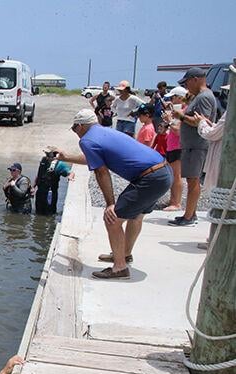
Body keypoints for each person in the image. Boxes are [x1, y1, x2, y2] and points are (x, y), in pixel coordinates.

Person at [55, 109, 172, 280]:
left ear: (80, 126)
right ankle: (124, 254)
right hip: (163, 172)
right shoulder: (104, 132)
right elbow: (94, 158)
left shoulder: (87, 140)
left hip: (150, 178)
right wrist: (65, 157)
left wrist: (110, 204)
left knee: (112, 218)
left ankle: (120, 268)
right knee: (136, 216)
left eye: (74, 129)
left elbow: (101, 172)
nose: (75, 133)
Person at [168, 67, 218, 227]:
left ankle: (189, 217)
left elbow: (202, 121)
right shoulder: (200, 96)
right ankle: (191, 213)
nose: (186, 87)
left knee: (193, 180)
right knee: (191, 179)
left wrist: (180, 116)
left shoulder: (204, 97)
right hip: (192, 145)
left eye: (187, 83)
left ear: (195, 79)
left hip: (197, 145)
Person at [161, 86, 187, 211]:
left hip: (178, 146)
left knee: (177, 175)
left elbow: (178, 131)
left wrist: (169, 120)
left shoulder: (184, 111)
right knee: (173, 175)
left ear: (180, 97)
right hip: (172, 145)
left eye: (173, 97)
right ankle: (173, 200)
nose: (171, 100)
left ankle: (176, 203)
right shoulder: (177, 111)